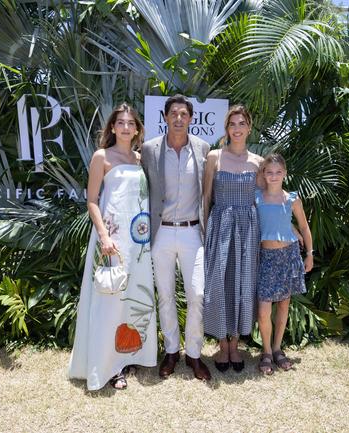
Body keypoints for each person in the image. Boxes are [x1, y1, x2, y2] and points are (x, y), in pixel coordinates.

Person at [68, 103, 157, 390]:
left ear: (137, 129)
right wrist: (104, 236)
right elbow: (92, 200)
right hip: (113, 239)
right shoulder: (101, 157)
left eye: (131, 123)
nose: (126, 127)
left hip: (138, 243)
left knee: (133, 298)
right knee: (110, 300)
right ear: (112, 127)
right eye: (121, 122)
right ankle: (108, 366)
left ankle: (129, 356)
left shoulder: (140, 159)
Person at [141, 94, 212, 381]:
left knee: (197, 294)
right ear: (166, 117)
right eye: (174, 113)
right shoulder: (149, 150)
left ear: (192, 118)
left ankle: (194, 354)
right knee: (166, 295)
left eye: (184, 114)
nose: (179, 118)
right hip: (161, 233)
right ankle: (171, 351)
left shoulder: (204, 149)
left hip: (193, 231)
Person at [202, 105, 264, 373]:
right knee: (219, 282)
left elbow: (263, 201)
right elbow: (206, 197)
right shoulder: (214, 157)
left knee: (243, 284)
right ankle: (222, 344)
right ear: (226, 129)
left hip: (248, 230)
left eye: (241, 124)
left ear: (249, 127)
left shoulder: (259, 162)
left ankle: (236, 344)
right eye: (232, 124)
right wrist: (204, 230)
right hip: (220, 227)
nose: (237, 129)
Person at [255, 153, 314, 375]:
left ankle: (278, 349)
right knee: (263, 310)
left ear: (285, 174)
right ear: (263, 174)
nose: (273, 176)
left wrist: (309, 253)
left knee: (283, 305)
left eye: (278, 172)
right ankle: (266, 351)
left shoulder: (291, 199)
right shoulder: (257, 198)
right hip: (266, 258)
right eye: (269, 172)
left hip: (288, 256)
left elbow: (304, 227)